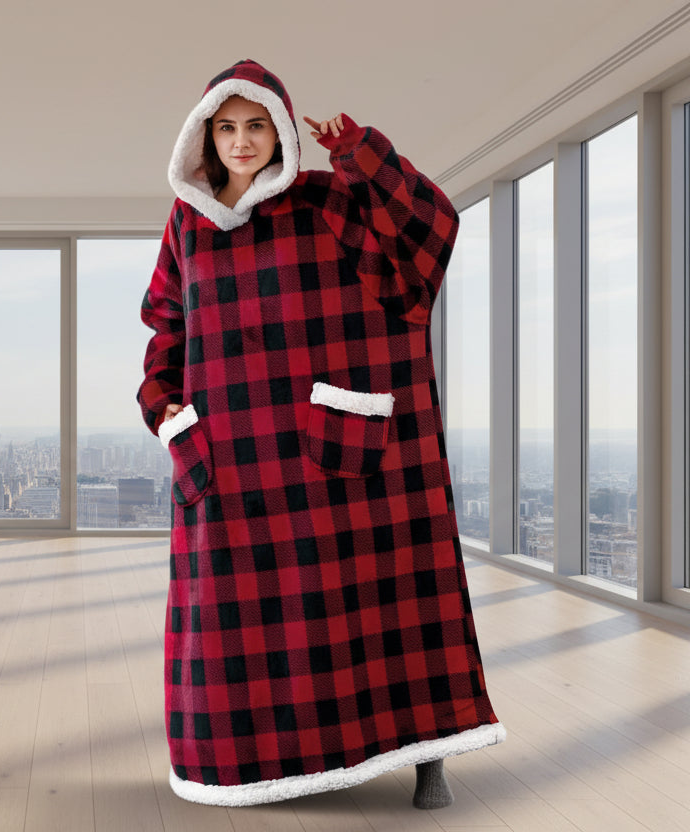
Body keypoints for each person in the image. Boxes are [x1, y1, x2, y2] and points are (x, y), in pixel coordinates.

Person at [135, 58, 505, 809]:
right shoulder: (188, 223)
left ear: (279, 130)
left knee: (392, 604)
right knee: (239, 625)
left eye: (257, 125)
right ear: (205, 138)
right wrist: (168, 412)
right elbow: (164, 326)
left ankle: (428, 757)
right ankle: (255, 769)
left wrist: (361, 152)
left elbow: (426, 239)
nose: (242, 142)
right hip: (231, 461)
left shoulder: (328, 197)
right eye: (228, 128)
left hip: (339, 459)